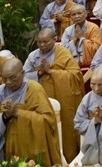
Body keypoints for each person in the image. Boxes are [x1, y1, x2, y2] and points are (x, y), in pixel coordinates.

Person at [23, 28, 85, 161]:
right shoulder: (33, 56)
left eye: (45, 42)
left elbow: (76, 75)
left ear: (54, 39)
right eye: (39, 42)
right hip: (41, 100)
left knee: (65, 129)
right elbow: (23, 78)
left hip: (64, 99)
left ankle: (69, 159)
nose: (42, 45)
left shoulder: (63, 53)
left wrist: (51, 72)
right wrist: (39, 73)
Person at [0, 58, 61, 166]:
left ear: (22, 73)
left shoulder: (34, 89)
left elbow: (48, 120)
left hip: (32, 148)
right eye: (5, 79)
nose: (8, 82)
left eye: (13, 78)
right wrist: (5, 117)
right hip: (6, 148)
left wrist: (18, 112)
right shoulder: (1, 92)